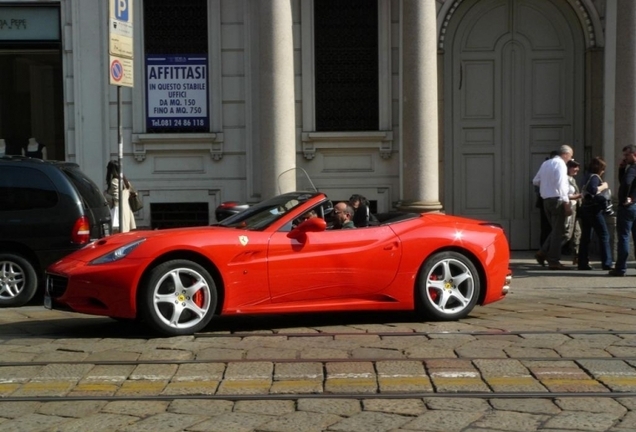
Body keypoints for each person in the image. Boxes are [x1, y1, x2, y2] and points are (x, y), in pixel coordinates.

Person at [532, 145, 574, 270]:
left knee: (555, 230)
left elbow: (536, 180)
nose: (570, 159)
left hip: (546, 200)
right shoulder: (560, 164)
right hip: (557, 200)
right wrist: (566, 202)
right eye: (570, 156)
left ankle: (543, 252)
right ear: (565, 154)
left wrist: (547, 186)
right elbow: (561, 184)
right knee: (558, 232)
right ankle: (554, 260)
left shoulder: (546, 163)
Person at [577, 157, 613, 271]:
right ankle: (607, 262)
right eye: (603, 169)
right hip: (594, 209)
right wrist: (604, 186)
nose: (603, 171)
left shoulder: (586, 176)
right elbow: (593, 190)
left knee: (586, 237)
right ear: (600, 169)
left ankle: (582, 262)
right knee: (604, 235)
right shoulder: (594, 177)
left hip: (586, 208)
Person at [609, 145, 636, 276]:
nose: (625, 158)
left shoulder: (632, 169)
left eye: (627, 155)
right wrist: (621, 169)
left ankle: (620, 268)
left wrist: (626, 198)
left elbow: (625, 183)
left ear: (634, 154)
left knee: (624, 237)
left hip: (628, 208)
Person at [105, 160, 136, 233]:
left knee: (118, 235)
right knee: (125, 234)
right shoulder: (125, 181)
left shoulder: (114, 181)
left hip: (118, 211)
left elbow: (117, 198)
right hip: (126, 209)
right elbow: (130, 193)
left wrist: (106, 195)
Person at [536, 150, 559, 246]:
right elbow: (536, 181)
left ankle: (545, 248)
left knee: (548, 227)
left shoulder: (546, 167)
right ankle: (545, 249)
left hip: (544, 199)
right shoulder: (548, 167)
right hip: (549, 199)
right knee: (550, 227)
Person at [564, 159, 582, 264]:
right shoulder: (565, 179)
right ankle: (545, 252)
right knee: (567, 234)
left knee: (577, 232)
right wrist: (579, 196)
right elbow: (565, 195)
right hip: (569, 208)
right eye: (574, 167)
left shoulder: (572, 179)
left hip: (575, 208)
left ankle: (576, 255)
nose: (577, 169)